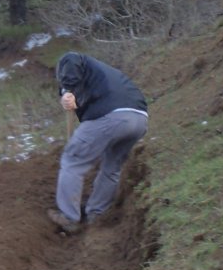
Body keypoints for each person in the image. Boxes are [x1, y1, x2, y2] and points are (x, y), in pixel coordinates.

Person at [47, 51, 148, 235]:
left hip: (110, 116)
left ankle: (69, 217)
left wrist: (68, 89)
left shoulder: (72, 60)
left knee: (72, 161)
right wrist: (68, 93)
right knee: (112, 167)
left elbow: (71, 61)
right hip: (139, 119)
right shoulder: (102, 74)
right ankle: (96, 213)